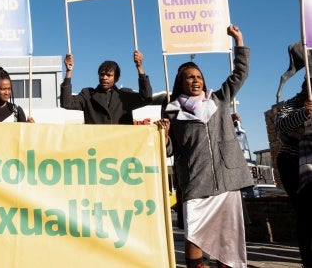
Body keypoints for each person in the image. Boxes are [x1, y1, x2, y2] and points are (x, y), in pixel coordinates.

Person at [161, 25, 253, 268]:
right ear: (181, 82)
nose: (196, 81)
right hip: (195, 182)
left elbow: (240, 74)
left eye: (199, 77)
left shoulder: (218, 100)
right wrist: (165, 137)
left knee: (228, 238)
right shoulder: (172, 112)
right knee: (194, 236)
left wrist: (239, 40)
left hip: (226, 180)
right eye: (190, 77)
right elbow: (171, 151)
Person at [274, 79, 312, 268]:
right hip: (293, 161)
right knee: (305, 212)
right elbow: (280, 125)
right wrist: (304, 112)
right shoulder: (293, 104)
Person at [60, 50, 153, 124]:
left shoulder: (125, 95)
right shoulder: (88, 95)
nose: (104, 77)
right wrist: (68, 71)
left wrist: (140, 67)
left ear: (116, 78)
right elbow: (66, 103)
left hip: (121, 146)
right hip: (96, 146)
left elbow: (146, 98)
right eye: (102, 74)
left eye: (109, 75)